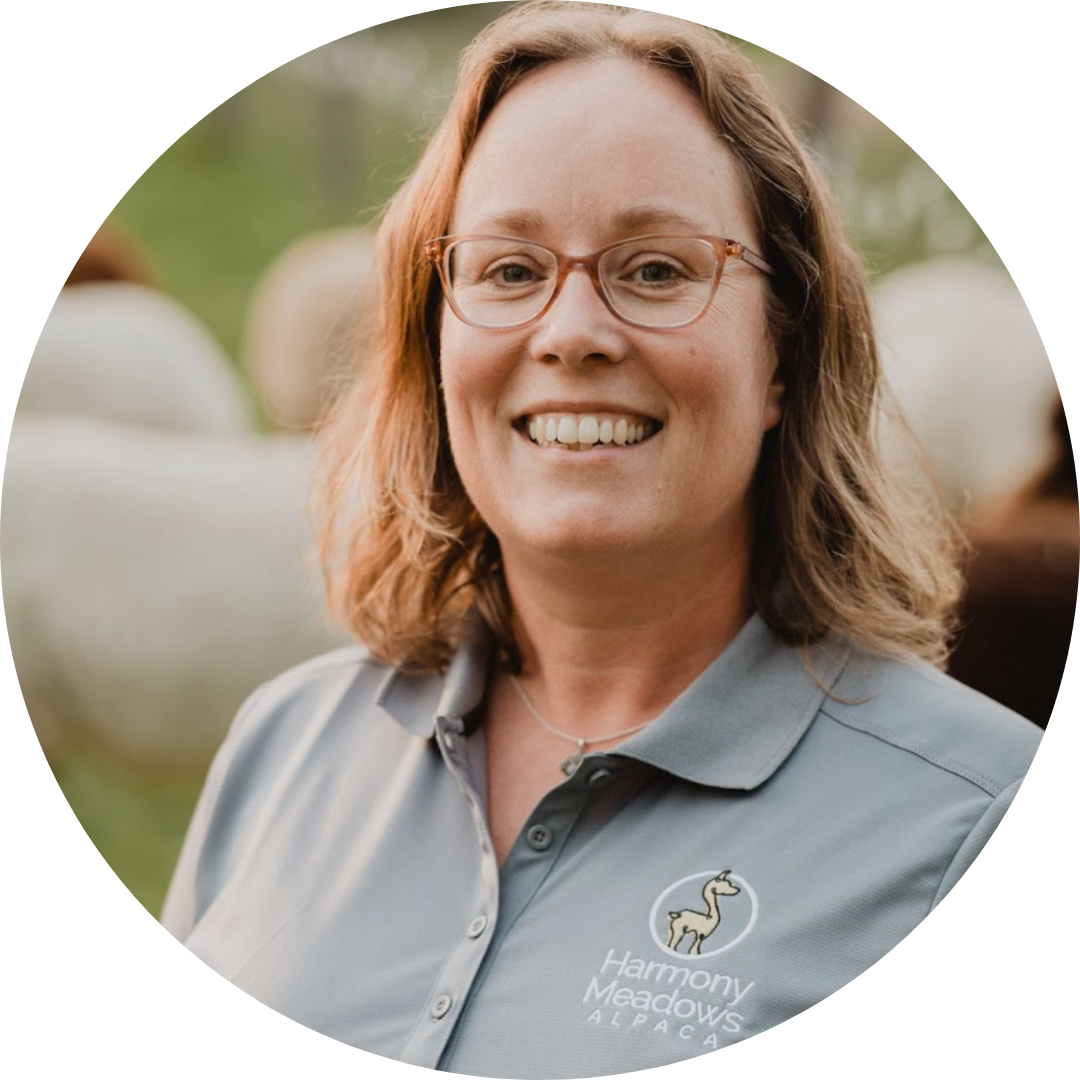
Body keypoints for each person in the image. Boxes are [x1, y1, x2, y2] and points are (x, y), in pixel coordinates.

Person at [161, 3, 1043, 1071]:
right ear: (432, 341)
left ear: (781, 354)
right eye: (510, 270)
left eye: (657, 270)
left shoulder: (965, 822)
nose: (572, 332)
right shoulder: (287, 742)